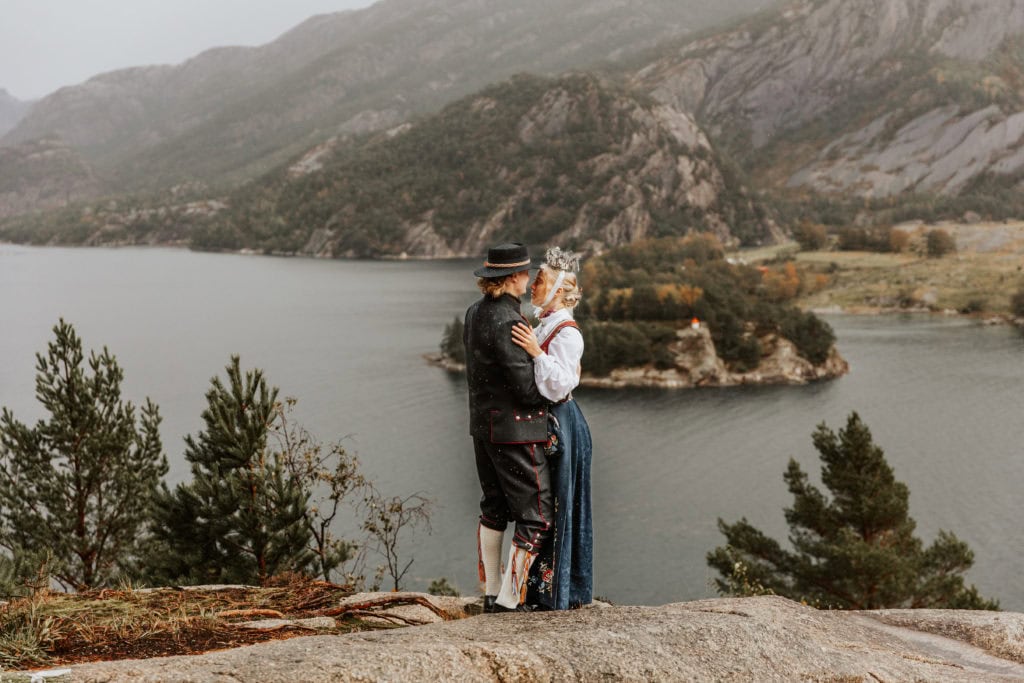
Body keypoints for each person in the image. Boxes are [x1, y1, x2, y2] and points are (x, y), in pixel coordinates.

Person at [464, 242, 554, 613]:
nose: (528, 278)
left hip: (483, 430)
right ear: (513, 277)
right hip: (518, 433)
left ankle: (490, 591)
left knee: (493, 509)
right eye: (525, 273)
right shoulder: (512, 321)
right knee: (537, 514)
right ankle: (509, 599)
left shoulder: (473, 313)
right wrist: (554, 388)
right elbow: (526, 388)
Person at [511, 246, 593, 610]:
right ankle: (538, 590)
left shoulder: (568, 333)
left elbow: (560, 384)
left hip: (564, 425)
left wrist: (536, 353)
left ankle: (554, 593)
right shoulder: (549, 324)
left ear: (559, 289)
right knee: (547, 504)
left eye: (540, 280)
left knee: (557, 503)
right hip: (553, 423)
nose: (533, 285)